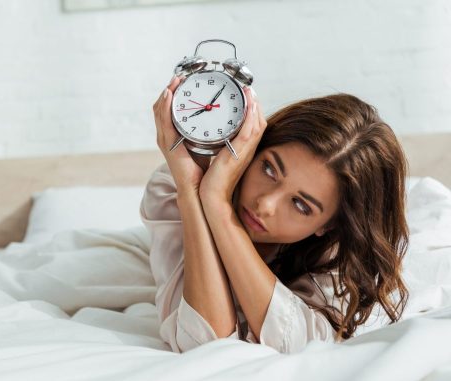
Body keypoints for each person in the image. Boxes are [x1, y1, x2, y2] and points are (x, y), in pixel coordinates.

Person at [140, 74, 410, 354]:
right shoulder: (174, 187)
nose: (265, 204)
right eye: (269, 169)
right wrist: (193, 190)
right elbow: (202, 343)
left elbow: (297, 343)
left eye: (301, 205)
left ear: (329, 225)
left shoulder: (338, 255)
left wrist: (217, 205)